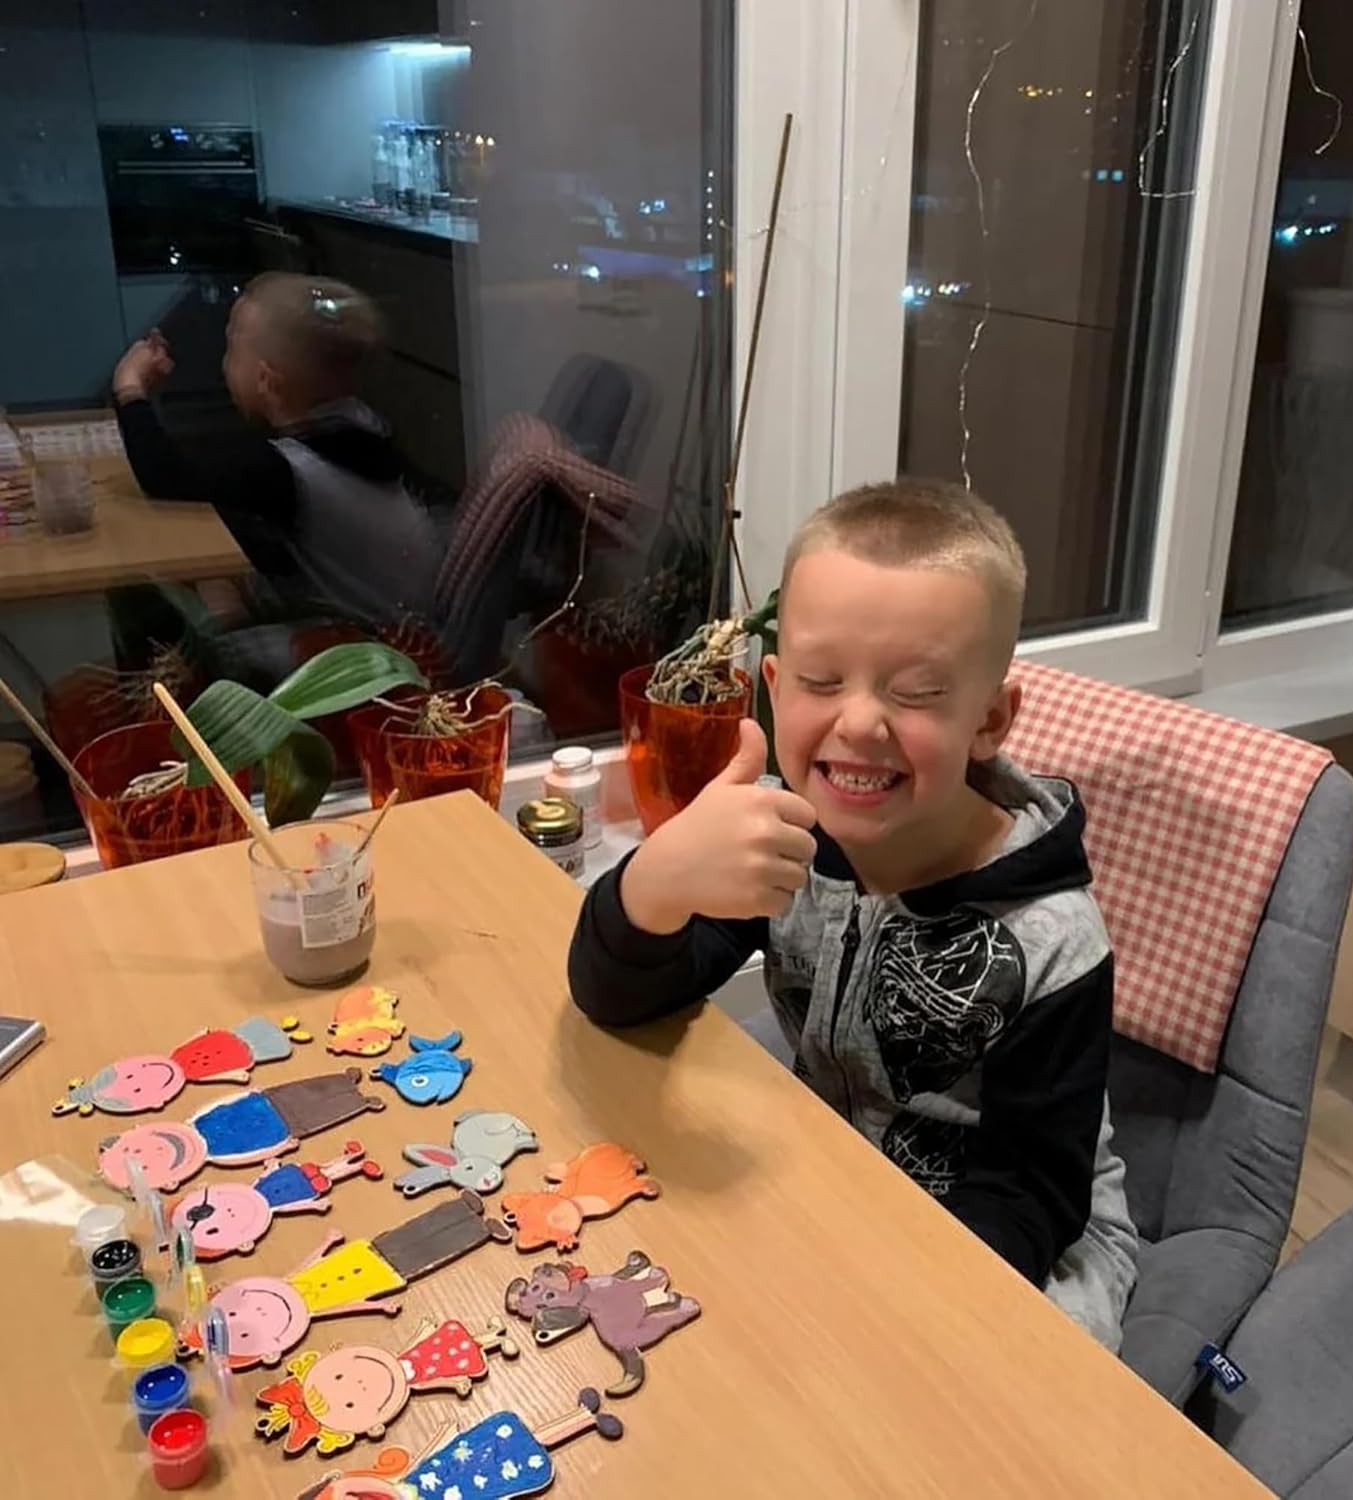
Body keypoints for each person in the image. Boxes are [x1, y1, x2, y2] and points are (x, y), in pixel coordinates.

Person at [568, 479, 1139, 1347]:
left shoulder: (1055, 937)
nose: (860, 723)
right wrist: (660, 878)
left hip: (1019, 1239)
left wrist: (871, 1291)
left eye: (915, 692)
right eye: (822, 680)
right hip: (835, 1169)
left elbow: (1035, 1196)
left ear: (990, 719)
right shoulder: (791, 833)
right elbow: (617, 998)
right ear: (773, 686)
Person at [111, 273, 441, 639]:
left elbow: (163, 473)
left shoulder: (284, 471)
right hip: (403, 623)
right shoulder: (362, 428)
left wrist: (130, 389)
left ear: (266, 381)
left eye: (231, 347)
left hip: (359, 655)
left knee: (140, 597)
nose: (223, 363)